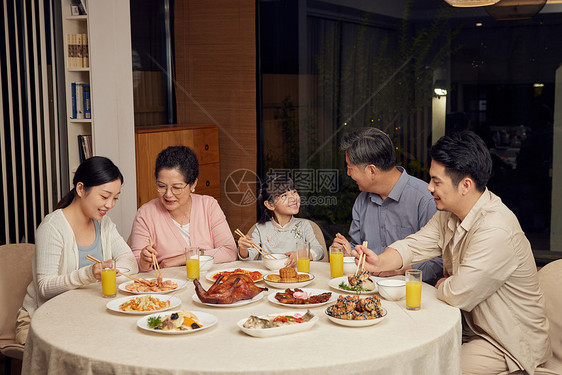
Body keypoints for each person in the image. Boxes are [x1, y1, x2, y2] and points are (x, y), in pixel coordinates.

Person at [354, 131, 552, 374]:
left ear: (465, 185)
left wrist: (443, 284)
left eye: (437, 182)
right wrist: (380, 260)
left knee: (433, 367)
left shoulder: (495, 228)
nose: (429, 188)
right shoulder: (448, 214)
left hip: (506, 340)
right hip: (469, 328)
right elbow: (416, 244)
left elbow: (459, 294)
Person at [15, 156, 138, 344]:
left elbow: (129, 260)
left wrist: (111, 272)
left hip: (88, 313)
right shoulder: (52, 227)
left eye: (115, 198)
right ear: (81, 189)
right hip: (43, 317)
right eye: (105, 196)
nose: (110, 204)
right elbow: (44, 288)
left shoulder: (103, 223)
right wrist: (89, 274)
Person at [331, 127, 443, 285]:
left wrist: (400, 269)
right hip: (367, 287)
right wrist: (347, 251)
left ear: (371, 171)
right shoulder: (362, 201)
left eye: (350, 168)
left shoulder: (425, 200)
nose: (348, 174)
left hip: (410, 291)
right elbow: (357, 245)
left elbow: (441, 261)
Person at [130, 146, 236, 271]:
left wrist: (185, 258)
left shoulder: (208, 206)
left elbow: (229, 252)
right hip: (168, 286)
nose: (168, 194)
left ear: (193, 184)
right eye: (161, 186)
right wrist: (143, 261)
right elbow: (135, 265)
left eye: (177, 187)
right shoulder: (146, 214)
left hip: (210, 283)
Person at [237, 175, 324, 266]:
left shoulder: (304, 225)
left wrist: (300, 255)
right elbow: (248, 258)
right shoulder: (260, 228)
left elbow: (320, 251)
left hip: (297, 275)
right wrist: (243, 248)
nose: (293, 198)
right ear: (270, 205)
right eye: (284, 195)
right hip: (268, 275)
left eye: (294, 192)